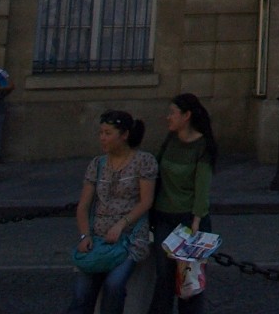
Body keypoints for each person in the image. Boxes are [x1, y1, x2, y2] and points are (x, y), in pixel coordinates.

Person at [65, 110, 155, 314]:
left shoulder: (143, 161)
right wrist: (84, 234)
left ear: (123, 135)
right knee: (81, 293)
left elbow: (146, 200)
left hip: (128, 237)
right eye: (101, 133)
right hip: (97, 237)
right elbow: (83, 206)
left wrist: (121, 224)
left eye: (108, 133)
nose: (102, 138)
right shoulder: (97, 164)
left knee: (114, 285)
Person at [148, 93, 215, 313]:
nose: (168, 117)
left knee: (188, 280)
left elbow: (202, 186)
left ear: (186, 116)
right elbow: (156, 172)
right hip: (163, 216)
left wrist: (196, 221)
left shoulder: (202, 146)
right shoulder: (170, 140)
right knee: (164, 276)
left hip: (189, 220)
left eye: (172, 113)